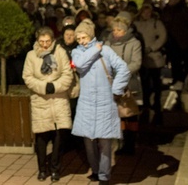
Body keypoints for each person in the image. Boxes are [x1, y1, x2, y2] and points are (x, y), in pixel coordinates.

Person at [71, 19, 130, 185]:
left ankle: (104, 175)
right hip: (87, 104)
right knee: (88, 141)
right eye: (79, 39)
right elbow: (80, 64)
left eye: (84, 37)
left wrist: (116, 89)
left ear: (91, 35)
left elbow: (123, 69)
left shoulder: (107, 50)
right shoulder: (77, 52)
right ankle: (95, 170)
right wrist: (94, 50)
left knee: (105, 142)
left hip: (105, 102)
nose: (81, 41)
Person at [22, 28, 74, 181]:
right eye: (42, 42)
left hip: (59, 100)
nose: (45, 45)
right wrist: (44, 87)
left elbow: (67, 74)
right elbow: (28, 77)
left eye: (48, 41)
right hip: (41, 101)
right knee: (42, 139)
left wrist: (55, 86)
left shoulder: (60, 52)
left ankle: (55, 169)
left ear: (53, 40)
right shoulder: (31, 55)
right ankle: (42, 169)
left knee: (59, 139)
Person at [108, 17, 143, 155]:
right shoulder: (107, 44)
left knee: (130, 113)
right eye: (114, 29)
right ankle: (120, 142)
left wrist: (122, 73)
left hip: (129, 82)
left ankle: (130, 143)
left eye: (119, 30)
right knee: (118, 114)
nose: (116, 32)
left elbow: (136, 62)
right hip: (111, 83)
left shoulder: (134, 43)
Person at [134, 3, 167, 124]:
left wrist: (153, 47)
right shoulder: (137, 24)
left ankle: (156, 101)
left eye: (148, 12)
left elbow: (162, 36)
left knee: (156, 80)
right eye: (145, 12)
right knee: (144, 81)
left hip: (154, 56)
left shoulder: (156, 23)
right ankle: (146, 101)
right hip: (142, 56)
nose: (146, 15)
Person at [161, 0, 188, 90]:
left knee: (186, 61)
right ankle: (177, 78)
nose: (170, 0)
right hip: (172, 40)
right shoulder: (168, 10)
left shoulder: (183, 10)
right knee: (175, 62)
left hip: (182, 39)